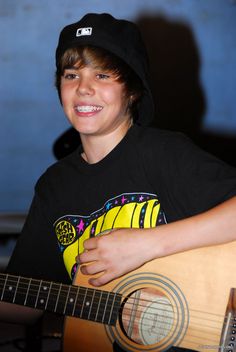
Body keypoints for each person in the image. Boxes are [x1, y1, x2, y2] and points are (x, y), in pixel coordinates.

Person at [1, 12, 236, 352]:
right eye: (71, 74)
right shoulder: (54, 186)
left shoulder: (162, 153)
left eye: (102, 74)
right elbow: (29, 300)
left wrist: (146, 244)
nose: (83, 87)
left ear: (132, 91)